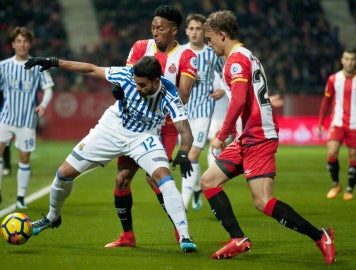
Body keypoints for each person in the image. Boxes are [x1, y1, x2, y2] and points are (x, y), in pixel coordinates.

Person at [24, 55, 198, 252]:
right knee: (64, 173)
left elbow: (185, 130)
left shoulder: (169, 92)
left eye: (142, 85)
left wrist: (183, 153)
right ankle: (52, 217)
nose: (138, 88)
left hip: (144, 136)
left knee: (164, 178)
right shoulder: (127, 75)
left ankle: (185, 237)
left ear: (156, 81)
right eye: (136, 84)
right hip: (112, 129)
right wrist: (55, 62)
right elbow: (91, 68)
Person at [200, 10, 335, 264]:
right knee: (209, 181)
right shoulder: (247, 55)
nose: (209, 44)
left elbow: (239, 99)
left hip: (258, 137)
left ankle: (321, 236)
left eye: (210, 39)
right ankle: (238, 238)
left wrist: (221, 134)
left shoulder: (235, 60)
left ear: (222, 35)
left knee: (263, 201)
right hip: (247, 137)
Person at [106, 5, 197, 248]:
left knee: (155, 178)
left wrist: (156, 87)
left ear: (174, 30)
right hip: (135, 124)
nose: (155, 32)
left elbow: (184, 95)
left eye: (161, 28)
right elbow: (128, 80)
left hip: (165, 125)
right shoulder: (139, 47)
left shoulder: (187, 56)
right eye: (153, 27)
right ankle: (128, 236)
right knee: (122, 179)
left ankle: (181, 232)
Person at [0, 26, 54, 208]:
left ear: (29, 44)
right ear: (13, 44)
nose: (22, 45)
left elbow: (48, 88)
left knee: (24, 159)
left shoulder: (38, 65)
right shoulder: (3, 66)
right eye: (18, 41)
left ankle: (20, 198)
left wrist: (43, 105)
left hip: (27, 121)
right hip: (6, 118)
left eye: (25, 41)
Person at [181, 13, 225, 212]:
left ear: (204, 32)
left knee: (192, 155)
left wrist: (224, 89)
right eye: (191, 28)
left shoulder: (211, 54)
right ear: (186, 31)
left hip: (203, 110)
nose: (195, 32)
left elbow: (226, 74)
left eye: (199, 29)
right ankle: (197, 187)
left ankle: (182, 204)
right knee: (187, 156)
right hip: (182, 112)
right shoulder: (180, 52)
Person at [317, 48, 356, 200]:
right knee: (332, 152)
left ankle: (349, 189)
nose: (349, 62)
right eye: (346, 59)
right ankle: (336, 185)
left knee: (353, 155)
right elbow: (326, 101)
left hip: (355, 124)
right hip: (337, 122)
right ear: (342, 60)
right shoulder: (333, 79)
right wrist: (321, 123)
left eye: (352, 59)